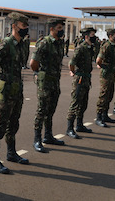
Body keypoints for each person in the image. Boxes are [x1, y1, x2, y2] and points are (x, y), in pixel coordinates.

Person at [0, 12, 30, 174]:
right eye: (23, 26)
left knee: (14, 123)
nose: (26, 28)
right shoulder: (6, 44)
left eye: (27, 26)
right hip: (6, 91)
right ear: (14, 26)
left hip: (17, 90)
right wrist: (0, 79)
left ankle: (11, 153)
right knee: (0, 126)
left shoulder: (21, 44)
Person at [31, 18, 66, 153]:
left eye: (61, 28)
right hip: (45, 81)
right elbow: (33, 63)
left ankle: (48, 136)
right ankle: (37, 139)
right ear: (51, 29)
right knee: (42, 110)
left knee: (51, 109)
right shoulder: (44, 43)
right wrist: (38, 74)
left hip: (55, 81)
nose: (61, 30)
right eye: (58, 28)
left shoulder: (59, 43)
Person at [66, 27, 96, 138]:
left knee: (83, 103)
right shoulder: (81, 48)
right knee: (75, 103)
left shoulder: (89, 48)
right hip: (79, 79)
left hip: (86, 78)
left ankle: (79, 125)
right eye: (92, 35)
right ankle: (69, 128)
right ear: (87, 36)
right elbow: (71, 63)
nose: (94, 37)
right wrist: (73, 72)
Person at [95, 29, 115, 127]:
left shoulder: (114, 46)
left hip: (111, 73)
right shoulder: (106, 45)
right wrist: (103, 66)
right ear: (110, 36)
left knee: (110, 94)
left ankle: (105, 115)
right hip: (105, 74)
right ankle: (98, 117)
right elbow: (98, 60)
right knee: (104, 95)